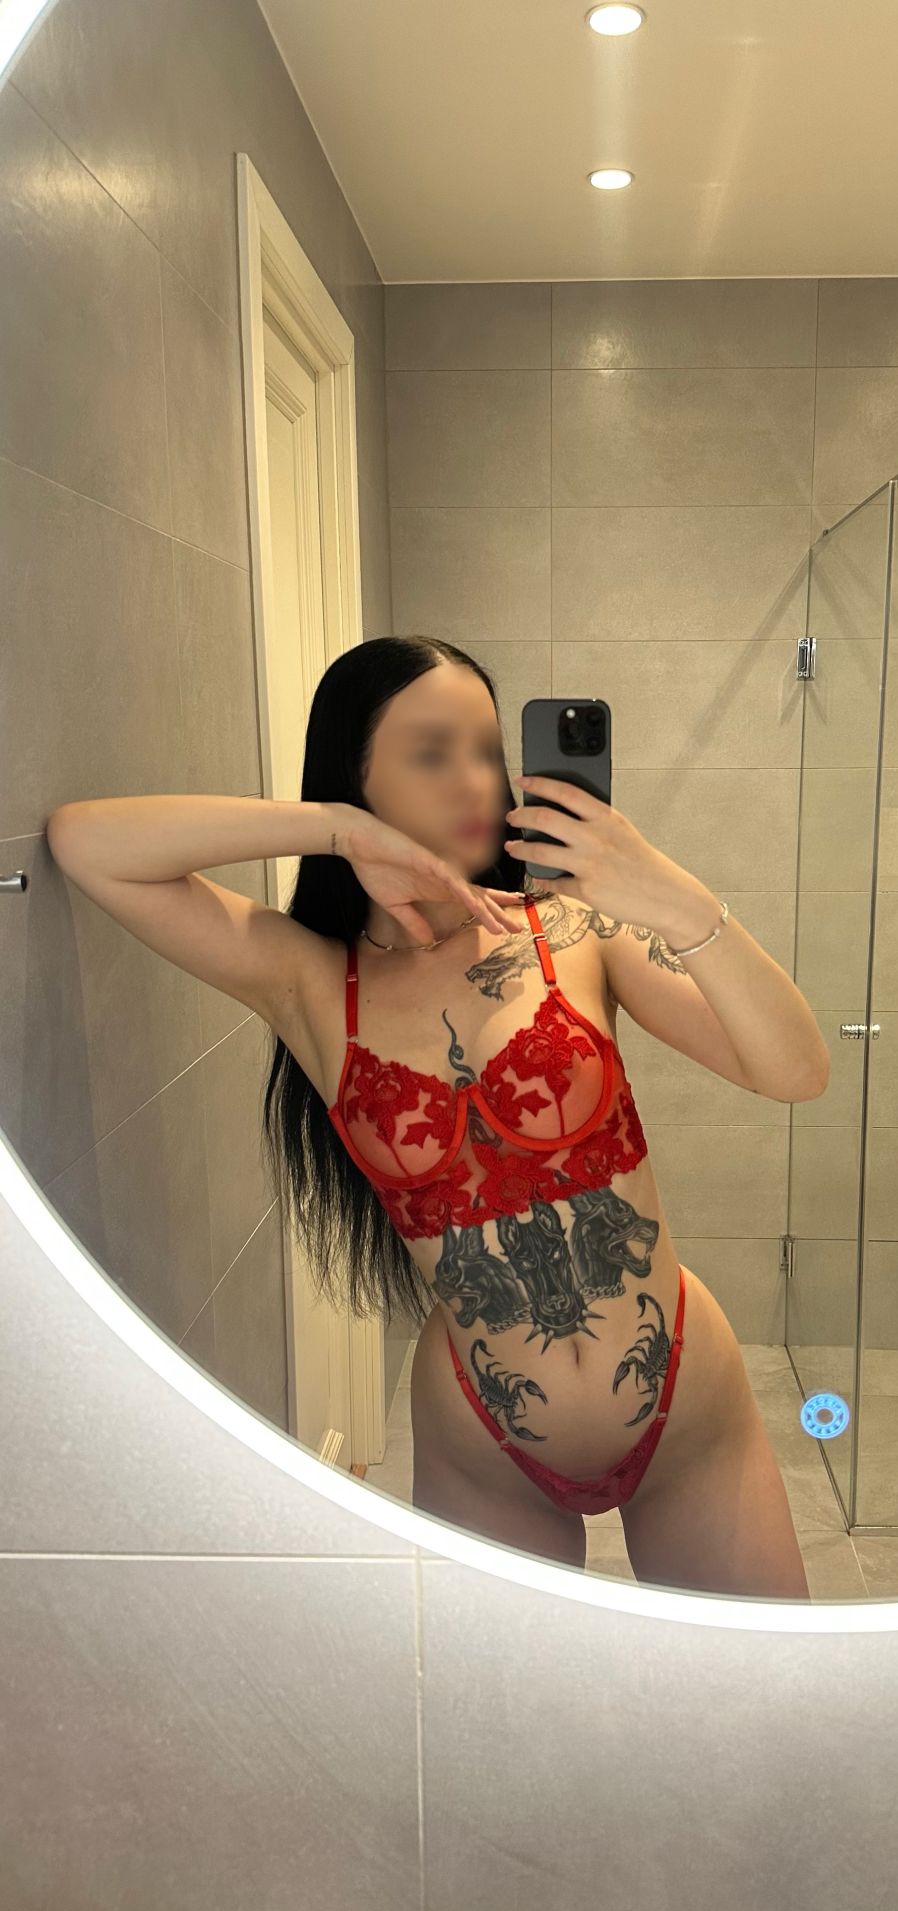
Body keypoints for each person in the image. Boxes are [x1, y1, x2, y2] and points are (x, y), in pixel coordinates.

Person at [46, 635, 828, 1598]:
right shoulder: (309, 980)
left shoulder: (573, 929)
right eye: (431, 752)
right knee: (504, 1698)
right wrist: (335, 831)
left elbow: (796, 1071)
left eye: (487, 750)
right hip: (483, 1438)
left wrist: (671, 896)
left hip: (683, 1403)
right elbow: (88, 844)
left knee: (759, 1679)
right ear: (355, 775)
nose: (475, 781)